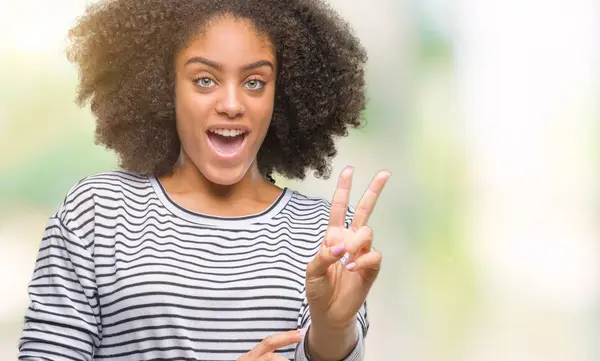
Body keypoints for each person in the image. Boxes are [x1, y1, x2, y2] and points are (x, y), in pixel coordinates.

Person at [18, 0, 390, 360]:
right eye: (205, 79)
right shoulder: (97, 213)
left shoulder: (324, 233)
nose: (231, 103)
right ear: (167, 88)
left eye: (255, 82)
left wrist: (333, 327)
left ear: (283, 93)